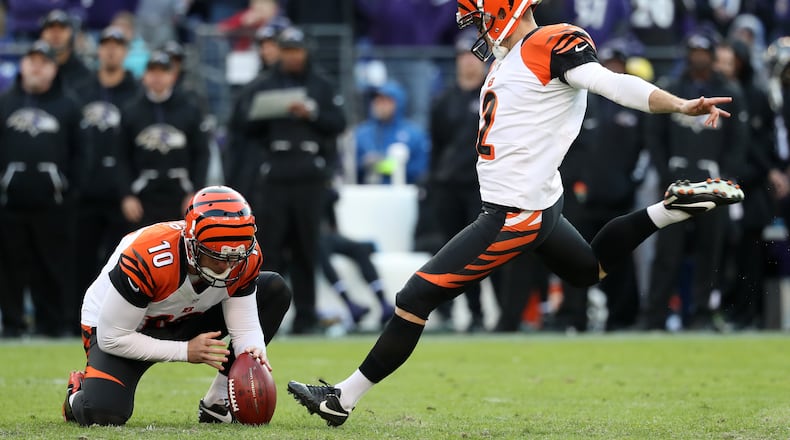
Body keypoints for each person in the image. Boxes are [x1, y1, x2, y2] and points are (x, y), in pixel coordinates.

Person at [287, 0, 743, 426]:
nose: (481, 30)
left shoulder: (548, 43)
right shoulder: (511, 58)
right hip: (536, 202)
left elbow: (612, 83)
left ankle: (341, 399)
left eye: (483, 17)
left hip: (514, 213)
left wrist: (679, 105)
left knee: (414, 298)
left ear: (502, 10)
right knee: (589, 270)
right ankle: (669, 210)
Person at [61, 186, 292, 426]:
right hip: (121, 328)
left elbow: (244, 329)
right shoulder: (148, 258)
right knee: (103, 412)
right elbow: (113, 337)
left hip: (185, 315)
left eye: (235, 257)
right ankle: (77, 391)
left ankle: (218, 402)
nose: (227, 267)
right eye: (216, 257)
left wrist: (252, 353)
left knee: (273, 290)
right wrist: (185, 351)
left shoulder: (245, 255)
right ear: (192, 246)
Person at [234, 26, 346, 334]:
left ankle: (306, 316)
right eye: (287, 50)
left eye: (297, 50)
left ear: (305, 51)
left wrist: (311, 113)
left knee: (306, 247)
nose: (292, 56)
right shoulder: (264, 84)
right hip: (275, 172)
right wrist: (271, 110)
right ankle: (261, 316)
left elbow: (339, 122)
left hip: (309, 174)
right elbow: (243, 124)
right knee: (269, 247)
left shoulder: (321, 85)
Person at [643, 32, 748, 331]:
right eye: (693, 50)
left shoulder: (729, 91)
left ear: (712, 54)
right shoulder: (673, 89)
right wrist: (665, 173)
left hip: (713, 182)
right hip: (676, 180)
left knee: (710, 250)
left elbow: (738, 142)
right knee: (667, 251)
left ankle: (703, 313)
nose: (698, 56)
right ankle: (655, 315)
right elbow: (654, 136)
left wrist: (726, 178)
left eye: (704, 50)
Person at [0, 41, 83, 337]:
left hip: (54, 203)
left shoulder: (68, 105)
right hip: (10, 203)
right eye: (31, 60)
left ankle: (55, 324)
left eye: (43, 62)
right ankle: (12, 323)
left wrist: (68, 189)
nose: (36, 67)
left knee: (53, 267)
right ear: (22, 65)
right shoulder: (4, 103)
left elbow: (80, 152)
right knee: (10, 268)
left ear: (53, 68)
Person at [426, 30, 489, 331]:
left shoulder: (492, 95)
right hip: (449, 186)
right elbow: (437, 145)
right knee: (450, 252)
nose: (469, 63)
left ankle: (480, 312)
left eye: (474, 56)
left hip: (481, 186)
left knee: (478, 253)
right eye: (464, 56)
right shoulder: (443, 101)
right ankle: (450, 311)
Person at [73, 26, 140, 297]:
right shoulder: (80, 91)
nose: (111, 50)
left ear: (125, 51)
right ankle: (77, 320)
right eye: (106, 44)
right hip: (85, 191)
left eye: (117, 44)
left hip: (122, 195)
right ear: (99, 50)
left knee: (121, 262)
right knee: (81, 260)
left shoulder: (136, 93)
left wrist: (129, 190)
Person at [118, 50, 210, 228]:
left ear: (173, 76)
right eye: (153, 71)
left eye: (163, 71)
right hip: (143, 194)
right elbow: (121, 156)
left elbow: (202, 154)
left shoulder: (190, 110)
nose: (157, 77)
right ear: (144, 76)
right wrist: (126, 195)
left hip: (180, 193)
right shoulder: (131, 111)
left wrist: (195, 193)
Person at [355, 80, 430, 185]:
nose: (380, 105)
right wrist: (363, 164)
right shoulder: (362, 133)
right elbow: (350, 167)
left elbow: (420, 169)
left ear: (398, 103)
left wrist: (385, 166)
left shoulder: (414, 134)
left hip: (404, 194)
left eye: (386, 101)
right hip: (367, 194)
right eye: (378, 100)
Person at [39, 9, 92, 92]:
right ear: (42, 34)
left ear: (71, 34)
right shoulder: (34, 70)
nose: (56, 34)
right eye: (51, 29)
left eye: (61, 29)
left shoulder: (84, 73)